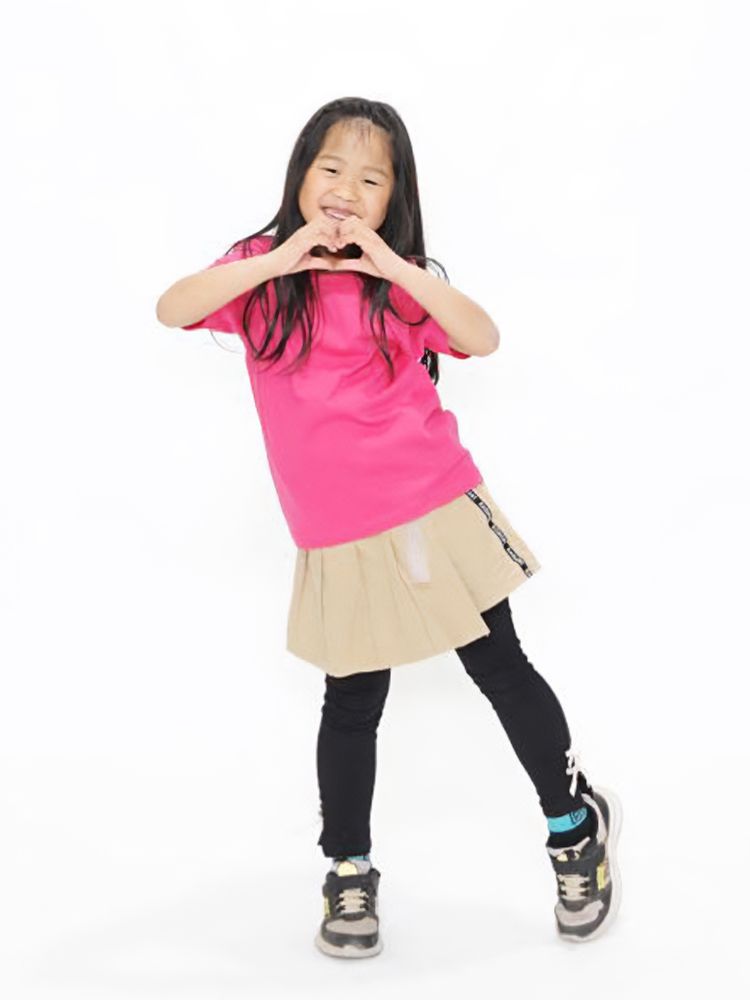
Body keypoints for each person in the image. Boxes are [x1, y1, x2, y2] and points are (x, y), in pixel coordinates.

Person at [156, 96, 623, 960]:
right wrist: (282, 258)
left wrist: (394, 266)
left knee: (499, 669)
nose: (346, 189)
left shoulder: (399, 282)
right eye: (331, 168)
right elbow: (172, 307)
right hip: (335, 532)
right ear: (301, 175)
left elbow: (483, 336)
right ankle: (349, 870)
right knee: (351, 702)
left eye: (372, 180)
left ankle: (574, 829)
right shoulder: (260, 272)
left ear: (394, 199)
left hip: (429, 505)